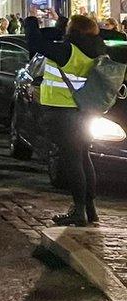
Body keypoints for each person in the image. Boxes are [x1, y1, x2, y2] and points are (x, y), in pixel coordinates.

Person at [25, 14, 105, 226]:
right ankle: (89, 208)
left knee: (72, 160)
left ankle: (78, 211)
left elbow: (35, 43)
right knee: (83, 157)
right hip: (83, 111)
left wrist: (31, 22)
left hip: (64, 111)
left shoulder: (67, 51)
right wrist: (62, 23)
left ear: (74, 31)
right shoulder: (95, 47)